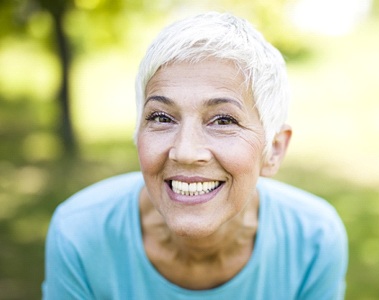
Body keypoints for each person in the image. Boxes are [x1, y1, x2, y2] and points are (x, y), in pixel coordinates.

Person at [42, 12, 348, 299]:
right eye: (161, 117)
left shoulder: (313, 241)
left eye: (224, 120)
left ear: (274, 150)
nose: (186, 152)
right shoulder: (79, 235)